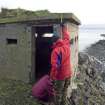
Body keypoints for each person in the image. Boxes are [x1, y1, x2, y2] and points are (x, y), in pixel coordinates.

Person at [50, 24, 72, 105]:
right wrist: (64, 27)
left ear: (54, 42)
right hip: (69, 73)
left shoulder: (56, 51)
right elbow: (66, 36)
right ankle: (64, 103)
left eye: (52, 43)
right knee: (65, 90)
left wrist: (52, 77)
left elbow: (55, 66)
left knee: (57, 93)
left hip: (61, 76)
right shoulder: (66, 44)